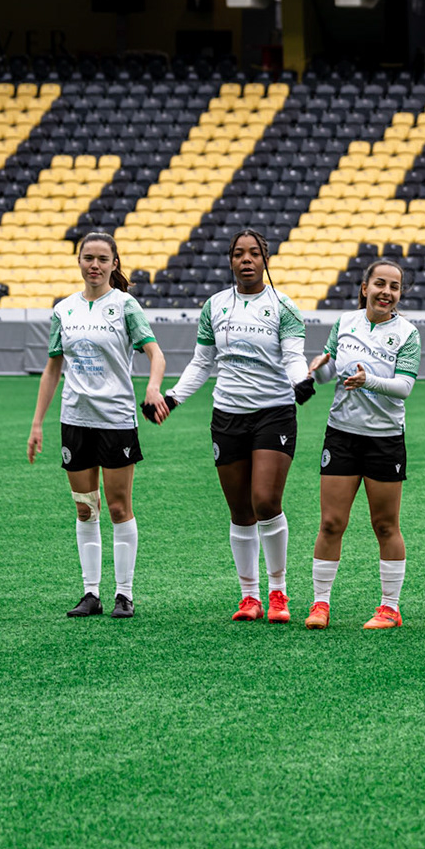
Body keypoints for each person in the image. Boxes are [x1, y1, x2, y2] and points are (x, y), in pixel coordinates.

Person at [145, 228, 312, 623]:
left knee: (265, 501)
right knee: (240, 511)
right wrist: (171, 398)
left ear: (265, 259)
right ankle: (249, 596)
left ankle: (279, 592)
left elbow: (293, 355)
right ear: (231, 260)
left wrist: (300, 380)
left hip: (274, 413)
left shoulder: (284, 307)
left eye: (254, 253)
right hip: (227, 416)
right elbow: (202, 362)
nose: (247, 260)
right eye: (239, 254)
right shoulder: (215, 306)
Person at [28, 231, 165, 619]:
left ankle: (125, 593)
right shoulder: (63, 310)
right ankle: (91, 593)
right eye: (88, 258)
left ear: (114, 264)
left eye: (103, 259)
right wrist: (37, 424)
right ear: (79, 261)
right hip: (75, 420)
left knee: (120, 507)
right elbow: (52, 368)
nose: (95, 265)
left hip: (116, 420)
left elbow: (156, 355)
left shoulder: (125, 306)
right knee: (86, 509)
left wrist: (153, 387)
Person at [306, 258, 420, 630]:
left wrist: (368, 380)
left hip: (385, 439)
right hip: (341, 434)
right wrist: (317, 368)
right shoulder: (344, 324)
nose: (386, 292)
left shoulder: (408, 333)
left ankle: (390, 608)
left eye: (394, 287)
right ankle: (320, 604)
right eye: (380, 284)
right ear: (365, 287)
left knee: (386, 525)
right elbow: (327, 374)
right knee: (331, 522)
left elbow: (403, 388)